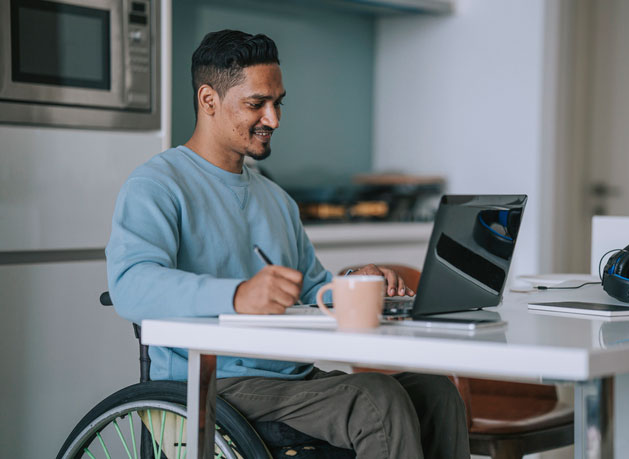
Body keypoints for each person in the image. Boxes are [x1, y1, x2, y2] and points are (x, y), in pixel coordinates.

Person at [106, 29, 470, 458]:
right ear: (209, 101)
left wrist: (356, 283)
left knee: (435, 392)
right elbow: (130, 285)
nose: (274, 119)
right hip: (209, 384)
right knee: (376, 401)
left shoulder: (274, 198)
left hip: (288, 379)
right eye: (257, 104)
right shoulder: (157, 184)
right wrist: (239, 295)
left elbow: (312, 289)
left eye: (278, 103)